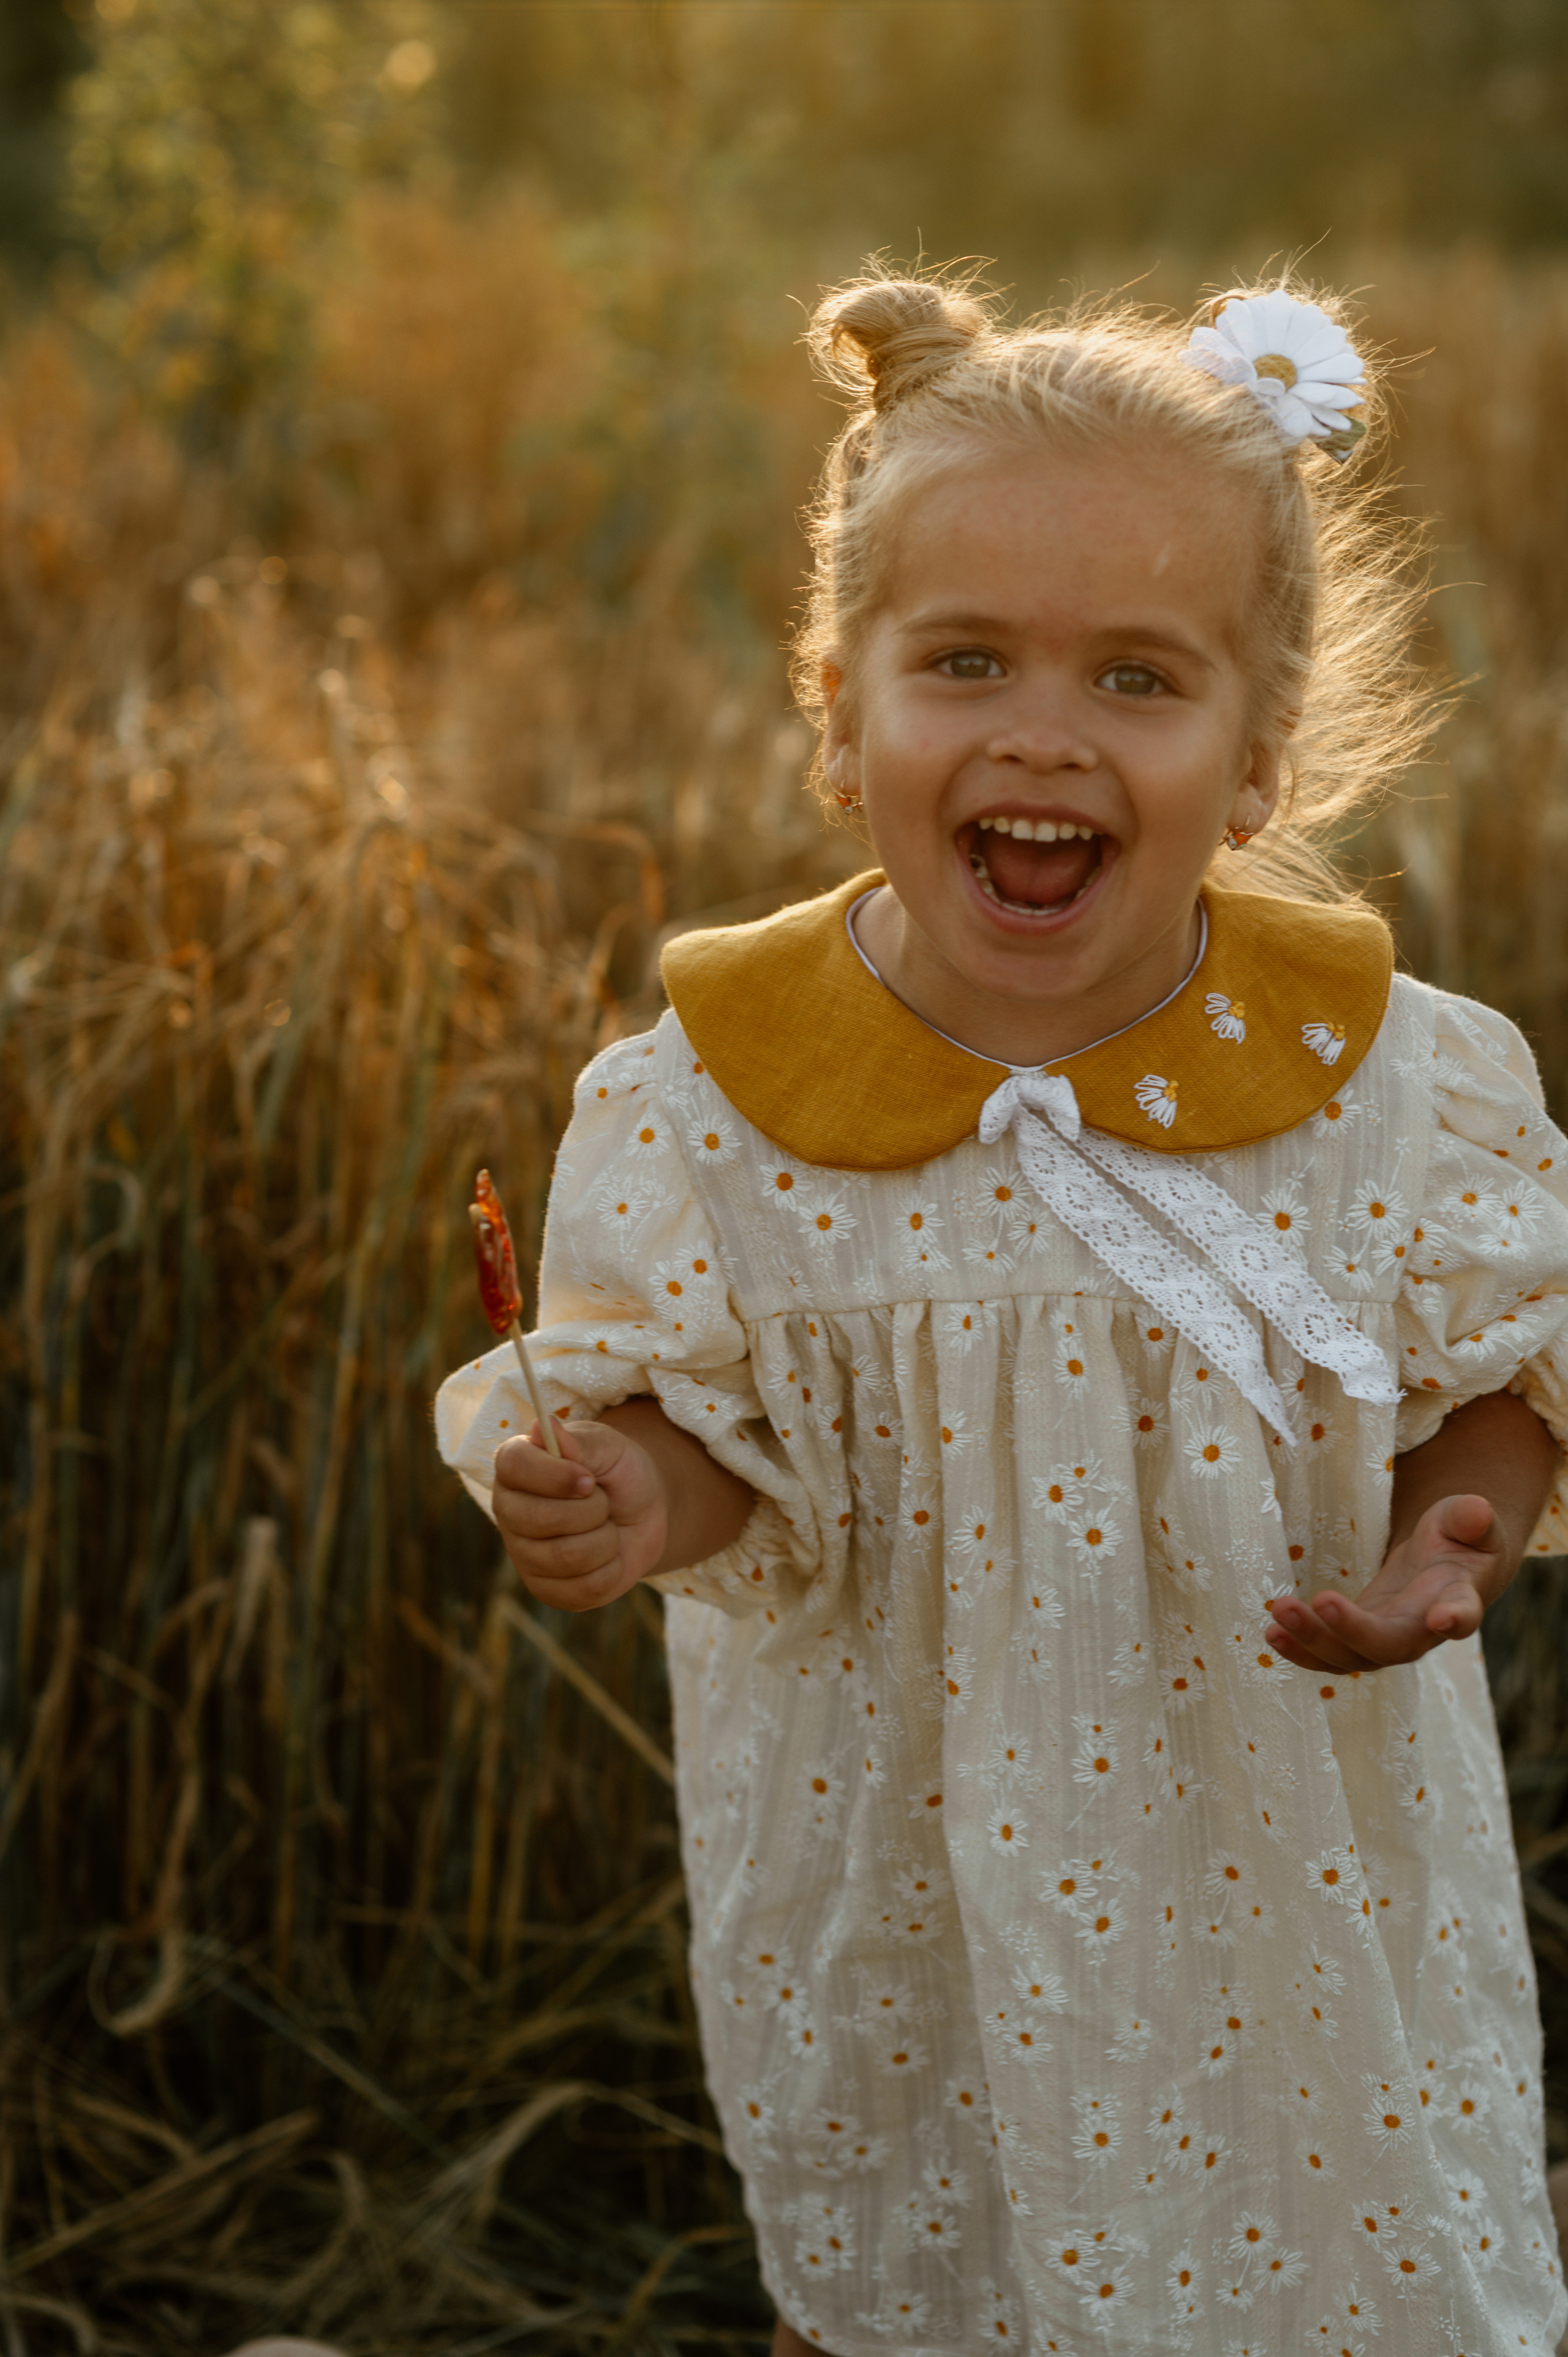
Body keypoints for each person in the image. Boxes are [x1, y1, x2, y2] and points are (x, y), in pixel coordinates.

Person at [436, 268, 1568, 2355]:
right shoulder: (712, 1104)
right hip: (907, 1880)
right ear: (839, 709)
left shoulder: (1387, 1085)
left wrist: (1449, 1532)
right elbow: (710, 1435)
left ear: (1258, 758)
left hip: (1291, 1879)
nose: (1042, 731)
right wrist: (622, 1488)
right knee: (923, 2254)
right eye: (963, 660)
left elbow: (1497, 1382)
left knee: (1329, 2269)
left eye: (1141, 677)